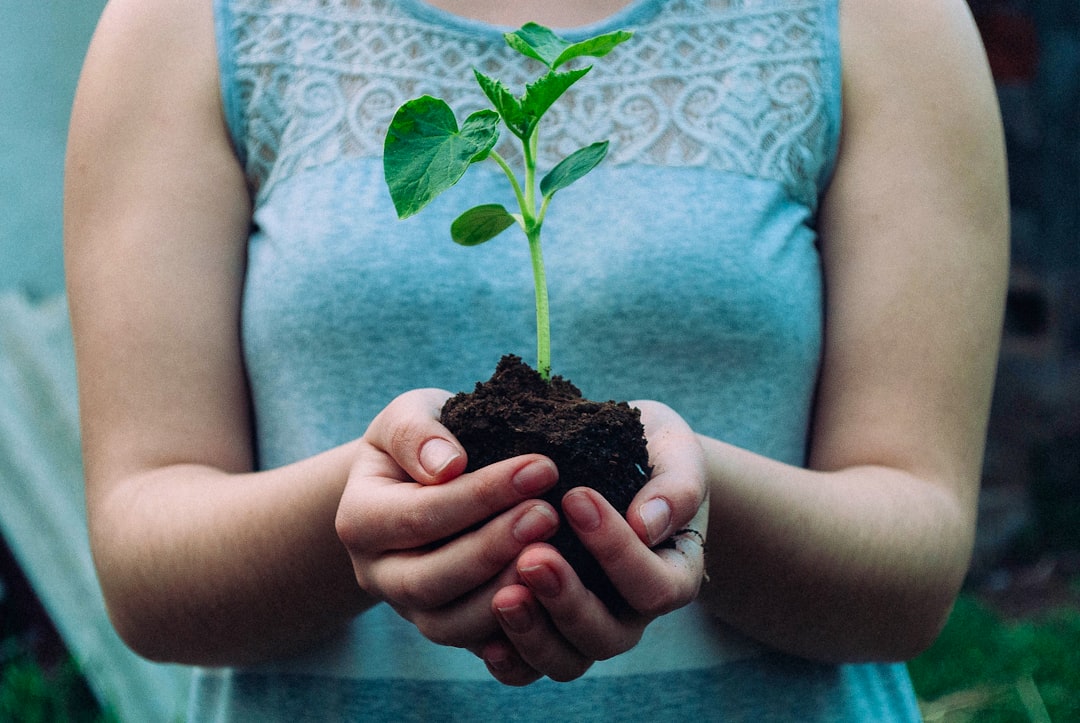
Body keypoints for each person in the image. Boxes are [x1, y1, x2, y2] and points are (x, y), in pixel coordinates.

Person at [63, 0, 1008, 719]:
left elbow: (914, 566)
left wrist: (697, 499)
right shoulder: (187, 21)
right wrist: (362, 518)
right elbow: (146, 572)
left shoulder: (887, 20)